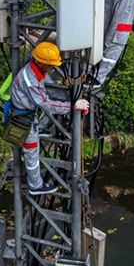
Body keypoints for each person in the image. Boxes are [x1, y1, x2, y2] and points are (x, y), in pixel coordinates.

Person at [7, 41, 89, 195]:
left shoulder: (35, 70)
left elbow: (50, 91)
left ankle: (41, 129)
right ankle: (35, 186)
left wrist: (70, 98)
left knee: (45, 113)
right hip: (24, 121)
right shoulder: (31, 81)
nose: (53, 67)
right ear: (42, 63)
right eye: (51, 64)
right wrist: (73, 107)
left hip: (27, 113)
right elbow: (47, 104)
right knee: (32, 154)